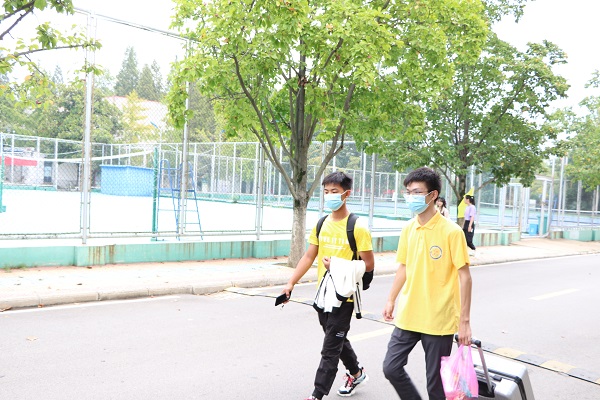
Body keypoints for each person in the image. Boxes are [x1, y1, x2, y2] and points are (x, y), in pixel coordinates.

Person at [281, 171, 375, 400]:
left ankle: (317, 394)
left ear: (346, 194)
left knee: (330, 347)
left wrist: (338, 265)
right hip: (323, 294)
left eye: (334, 191)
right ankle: (356, 373)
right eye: (326, 192)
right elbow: (308, 256)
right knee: (336, 337)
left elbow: (369, 264)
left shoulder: (357, 226)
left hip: (345, 296)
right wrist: (291, 283)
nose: (329, 196)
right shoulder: (322, 224)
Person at [382, 167, 472, 400]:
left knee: (436, 386)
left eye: (417, 192)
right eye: (408, 192)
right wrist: (391, 299)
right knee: (391, 367)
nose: (411, 197)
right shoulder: (408, 228)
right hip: (409, 314)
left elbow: (465, 277)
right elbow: (404, 266)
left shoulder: (452, 232)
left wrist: (464, 322)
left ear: (433, 195)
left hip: (439, 320)